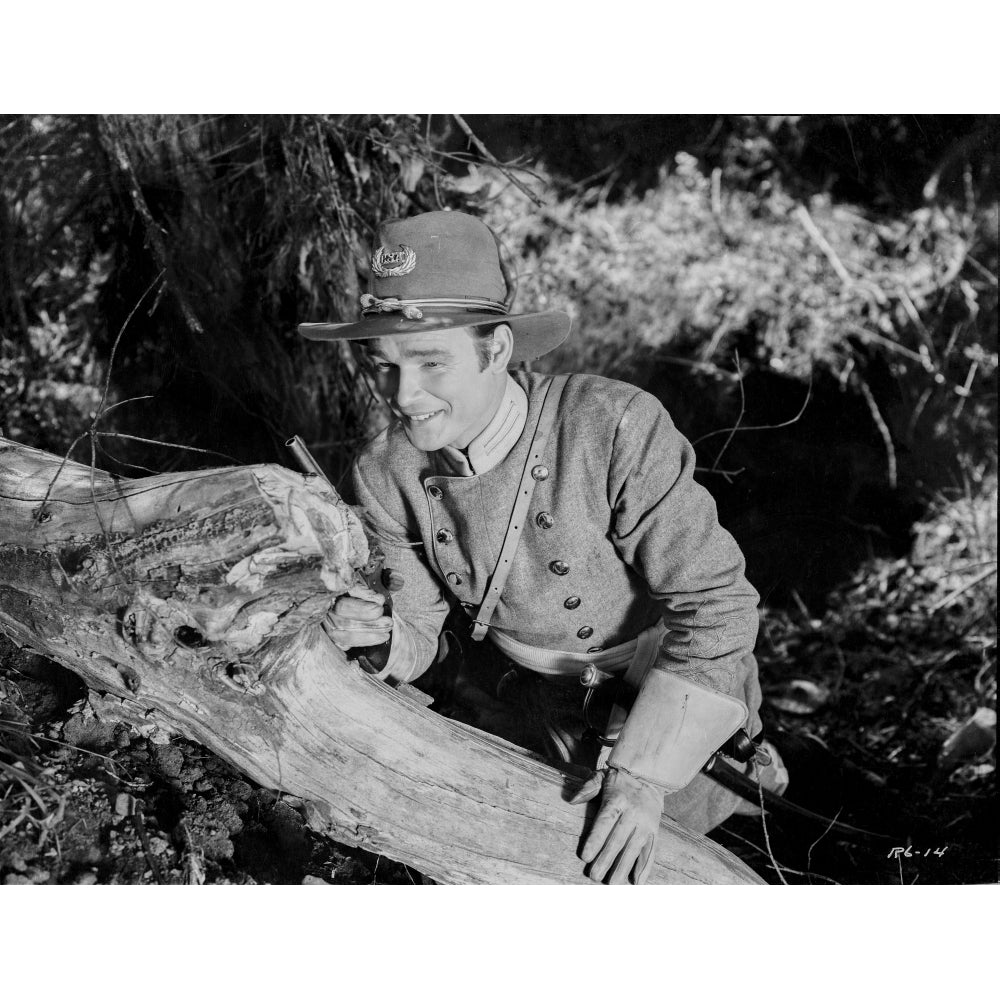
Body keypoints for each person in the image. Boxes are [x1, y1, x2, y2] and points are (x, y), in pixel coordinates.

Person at [299, 210, 773, 885]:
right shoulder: (386, 473)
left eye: (432, 362)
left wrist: (642, 777)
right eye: (385, 368)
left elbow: (719, 609)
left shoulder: (611, 427)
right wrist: (378, 637)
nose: (405, 397)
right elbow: (423, 637)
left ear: (496, 351)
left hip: (664, 696)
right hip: (521, 707)